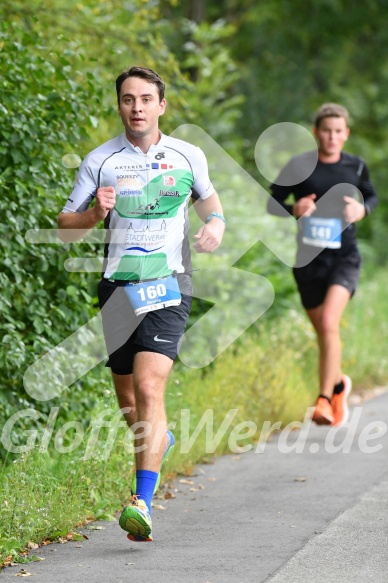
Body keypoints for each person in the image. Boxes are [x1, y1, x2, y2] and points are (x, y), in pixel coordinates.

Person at [57, 66, 225, 542]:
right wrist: (95, 213)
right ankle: (160, 441)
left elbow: (213, 207)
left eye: (146, 99)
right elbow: (67, 224)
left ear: (161, 106)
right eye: (128, 99)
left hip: (169, 283)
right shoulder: (100, 160)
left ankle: (142, 501)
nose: (137, 108)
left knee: (151, 388)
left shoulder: (187, 156)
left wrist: (214, 226)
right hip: (118, 287)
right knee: (130, 403)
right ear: (119, 105)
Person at [267, 103, 378, 427]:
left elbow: (370, 197)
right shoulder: (299, 165)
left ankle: (324, 400)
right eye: (326, 131)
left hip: (345, 257)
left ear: (346, 134)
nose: (332, 137)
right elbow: (272, 201)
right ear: (316, 132)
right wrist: (294, 208)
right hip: (308, 261)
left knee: (329, 322)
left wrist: (361, 211)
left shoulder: (356, 167)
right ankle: (339, 384)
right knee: (323, 331)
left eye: (338, 131)